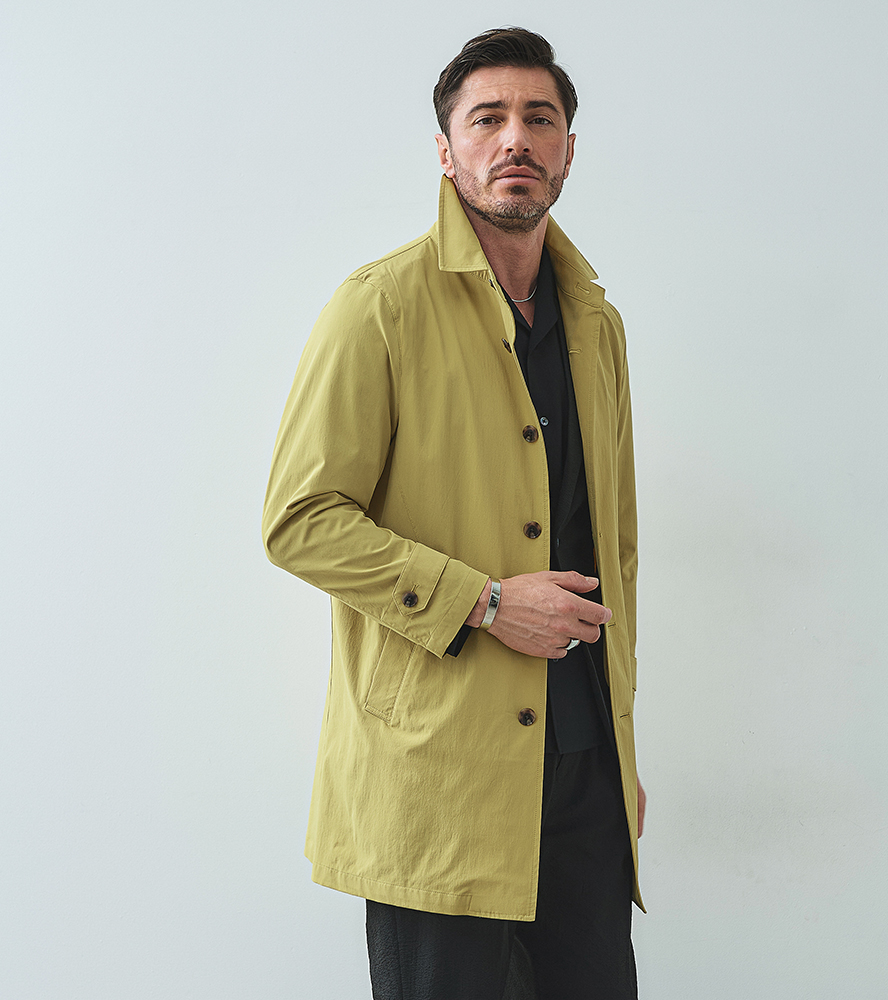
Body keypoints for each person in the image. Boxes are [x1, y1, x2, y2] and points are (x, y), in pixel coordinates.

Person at [262, 26, 645, 1000]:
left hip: (585, 772)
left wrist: (621, 751)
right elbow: (300, 517)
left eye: (539, 118)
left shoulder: (596, 325)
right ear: (446, 150)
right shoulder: (378, 305)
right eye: (487, 118)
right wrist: (483, 600)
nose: (515, 137)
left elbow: (615, 548)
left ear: (567, 151)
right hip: (439, 774)